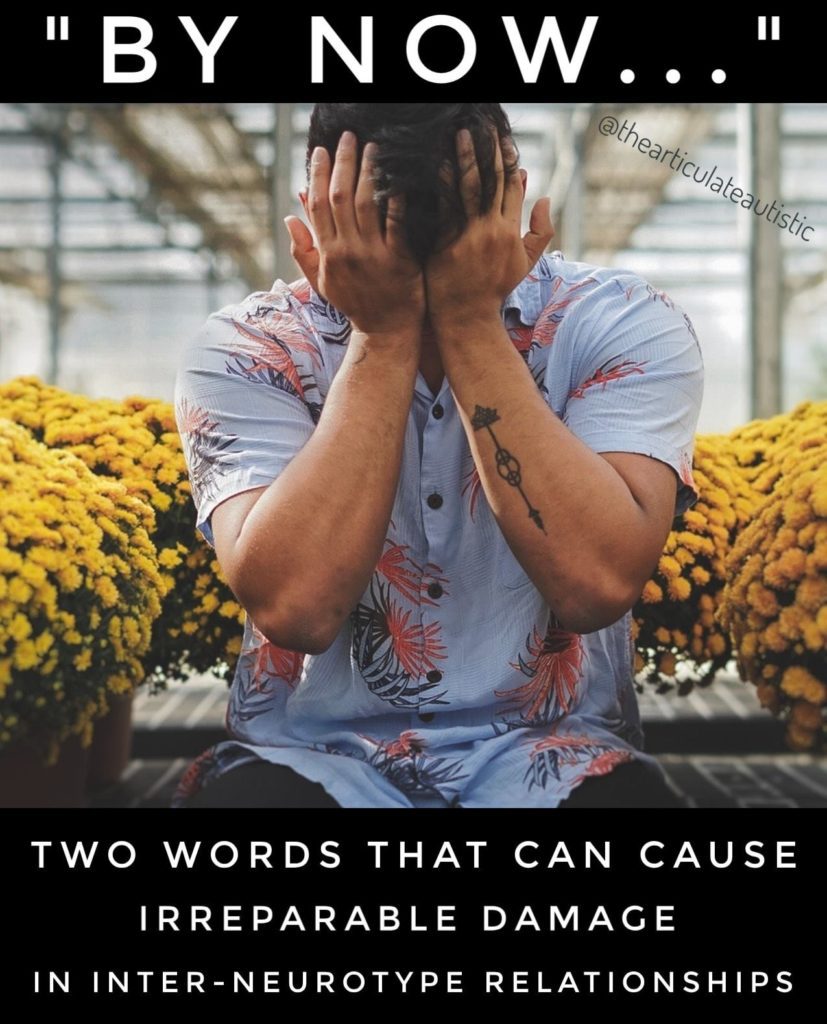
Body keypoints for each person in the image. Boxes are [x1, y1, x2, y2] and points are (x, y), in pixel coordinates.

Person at [170, 103, 704, 809]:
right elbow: (296, 609)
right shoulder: (248, 346)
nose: (421, 263)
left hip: (554, 757)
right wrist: (383, 333)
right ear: (319, 215)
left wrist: (468, 321)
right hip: (309, 762)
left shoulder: (621, 322)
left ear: (513, 199)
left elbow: (594, 584)